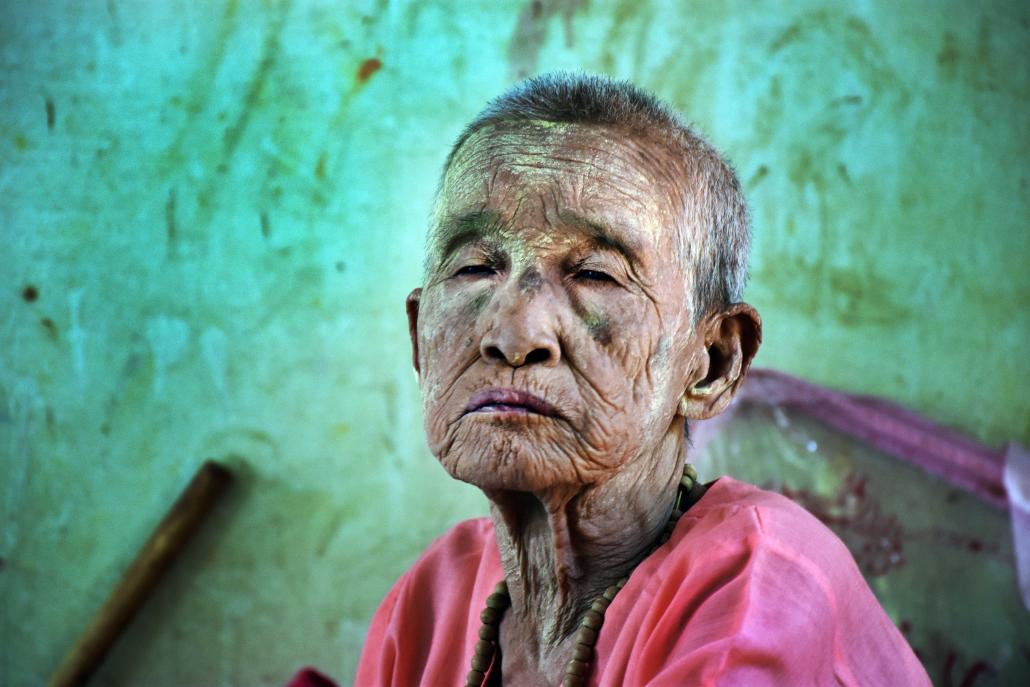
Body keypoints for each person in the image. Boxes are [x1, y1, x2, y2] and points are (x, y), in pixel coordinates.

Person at [340, 73, 930, 686]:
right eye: (476, 267)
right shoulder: (434, 597)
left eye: (595, 274)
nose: (513, 335)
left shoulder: (754, 597)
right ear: (418, 335)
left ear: (712, 364)